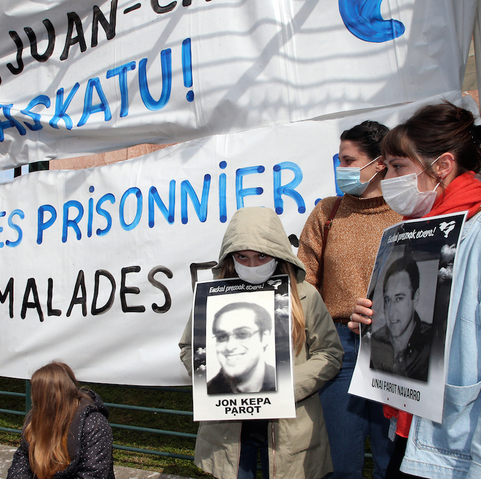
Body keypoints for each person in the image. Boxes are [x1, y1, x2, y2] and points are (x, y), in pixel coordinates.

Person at [350, 101, 481, 478]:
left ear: (442, 165)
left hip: (471, 458)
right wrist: (371, 326)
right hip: (414, 443)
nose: (387, 176)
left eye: (397, 167)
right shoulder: (414, 237)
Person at [179, 206, 343, 479]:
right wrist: (207, 377)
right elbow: (189, 347)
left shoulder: (305, 295)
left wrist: (286, 384)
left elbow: (330, 353)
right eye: (242, 256)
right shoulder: (214, 296)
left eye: (261, 256)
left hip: (289, 429)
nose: (252, 264)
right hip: (228, 431)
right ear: (230, 256)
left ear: (277, 252)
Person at [297, 120, 399, 479]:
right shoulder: (328, 212)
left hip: (397, 347)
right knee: (339, 460)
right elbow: (303, 278)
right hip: (338, 348)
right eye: (339, 160)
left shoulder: (409, 212)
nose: (341, 169)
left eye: (348, 160)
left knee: (394, 456)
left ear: (380, 163)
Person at [6, 362, 115, 479]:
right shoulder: (37, 417)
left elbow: (93, 474)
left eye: (37, 396)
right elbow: (23, 456)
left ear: (50, 398)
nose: (33, 401)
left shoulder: (94, 424)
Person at [370, 255, 432, 381]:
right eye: (388, 300)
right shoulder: (375, 341)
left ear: (416, 298)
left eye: (399, 299)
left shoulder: (431, 344)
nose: (391, 310)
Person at [207, 301, 276, 394]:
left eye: (242, 334)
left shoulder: (285, 381)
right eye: (222, 337)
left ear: (264, 337)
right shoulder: (208, 392)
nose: (230, 347)